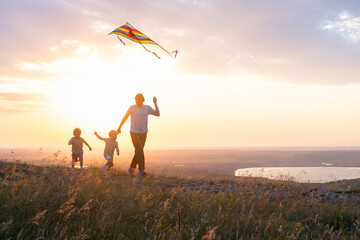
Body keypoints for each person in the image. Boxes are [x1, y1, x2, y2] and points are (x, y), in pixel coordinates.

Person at [117, 93, 160, 176]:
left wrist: (155, 103)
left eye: (139, 100)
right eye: (136, 100)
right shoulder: (132, 108)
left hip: (144, 133)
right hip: (134, 132)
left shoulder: (147, 108)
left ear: (142, 100)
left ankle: (131, 169)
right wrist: (119, 127)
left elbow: (157, 114)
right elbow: (125, 117)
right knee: (140, 150)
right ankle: (141, 170)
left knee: (138, 151)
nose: (137, 102)